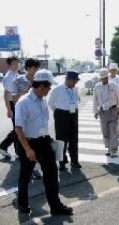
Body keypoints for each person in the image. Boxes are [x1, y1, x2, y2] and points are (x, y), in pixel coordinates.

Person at [15, 69, 73, 215]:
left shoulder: (43, 100)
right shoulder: (24, 102)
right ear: (41, 86)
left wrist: (50, 140)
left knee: (52, 173)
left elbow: (42, 123)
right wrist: (28, 149)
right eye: (48, 87)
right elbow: (19, 129)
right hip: (27, 143)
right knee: (25, 175)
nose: (50, 90)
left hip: (43, 141)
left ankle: (55, 205)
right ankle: (22, 204)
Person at [12, 58, 42, 179]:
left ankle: (35, 168)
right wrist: (27, 91)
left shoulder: (39, 79)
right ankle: (27, 165)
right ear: (28, 68)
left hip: (36, 115)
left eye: (37, 68)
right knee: (24, 141)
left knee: (36, 141)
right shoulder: (18, 80)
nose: (36, 71)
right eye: (34, 68)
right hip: (22, 114)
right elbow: (14, 98)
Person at [48, 71, 81, 170]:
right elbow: (51, 103)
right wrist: (59, 111)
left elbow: (77, 100)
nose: (75, 83)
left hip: (73, 114)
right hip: (61, 115)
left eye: (76, 81)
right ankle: (61, 162)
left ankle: (74, 161)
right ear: (68, 80)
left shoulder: (75, 89)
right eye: (74, 81)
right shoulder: (57, 90)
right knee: (61, 140)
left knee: (73, 139)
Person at [93, 68, 119, 157]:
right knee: (105, 131)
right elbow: (95, 100)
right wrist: (95, 112)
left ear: (108, 77)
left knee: (113, 131)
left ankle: (113, 150)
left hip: (113, 110)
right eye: (102, 78)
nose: (104, 80)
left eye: (105, 78)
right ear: (100, 78)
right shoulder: (97, 86)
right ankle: (109, 148)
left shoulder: (114, 85)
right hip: (103, 111)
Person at [0, 56, 19, 159]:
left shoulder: (16, 74)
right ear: (9, 64)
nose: (16, 65)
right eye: (13, 63)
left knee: (19, 128)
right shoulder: (8, 77)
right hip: (13, 104)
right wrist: (9, 109)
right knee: (18, 129)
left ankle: (18, 151)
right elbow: (6, 95)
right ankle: (3, 146)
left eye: (17, 63)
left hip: (18, 103)